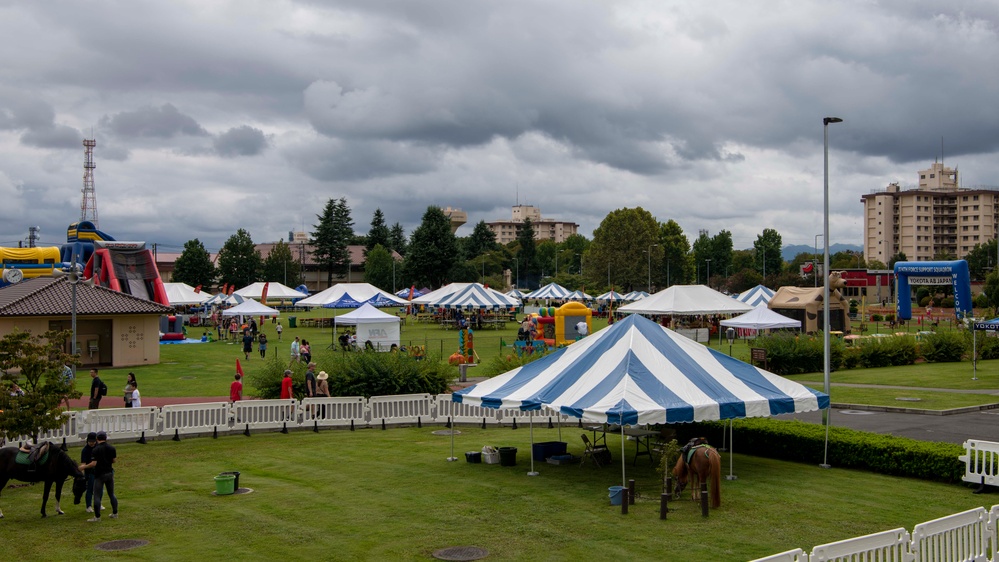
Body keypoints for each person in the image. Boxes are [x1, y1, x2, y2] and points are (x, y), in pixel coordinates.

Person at [81, 431, 118, 522]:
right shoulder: (111, 448)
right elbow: (114, 461)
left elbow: (94, 463)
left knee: (97, 495)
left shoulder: (96, 450)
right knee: (111, 494)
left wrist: (83, 467)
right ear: (106, 438)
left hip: (99, 474)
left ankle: (97, 517)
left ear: (97, 439)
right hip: (109, 473)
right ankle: (115, 513)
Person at [80, 432, 99, 513]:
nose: (92, 443)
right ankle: (88, 506)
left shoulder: (98, 447)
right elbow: (83, 464)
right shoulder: (85, 450)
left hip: (98, 471)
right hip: (89, 472)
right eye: (91, 441)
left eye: (94, 441)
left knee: (98, 489)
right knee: (90, 489)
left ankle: (98, 503)